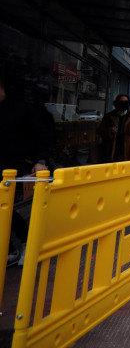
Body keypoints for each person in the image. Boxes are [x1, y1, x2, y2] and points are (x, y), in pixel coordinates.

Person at [0, 75, 52, 266]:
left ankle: (24, 243)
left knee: (3, 207)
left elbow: (41, 137)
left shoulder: (23, 110)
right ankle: (12, 247)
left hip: (12, 165)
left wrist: (40, 161)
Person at [97, 94, 130, 163]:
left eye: (126, 102)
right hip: (112, 152)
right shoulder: (109, 116)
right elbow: (101, 131)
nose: (124, 104)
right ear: (117, 103)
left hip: (128, 153)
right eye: (121, 101)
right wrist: (110, 130)